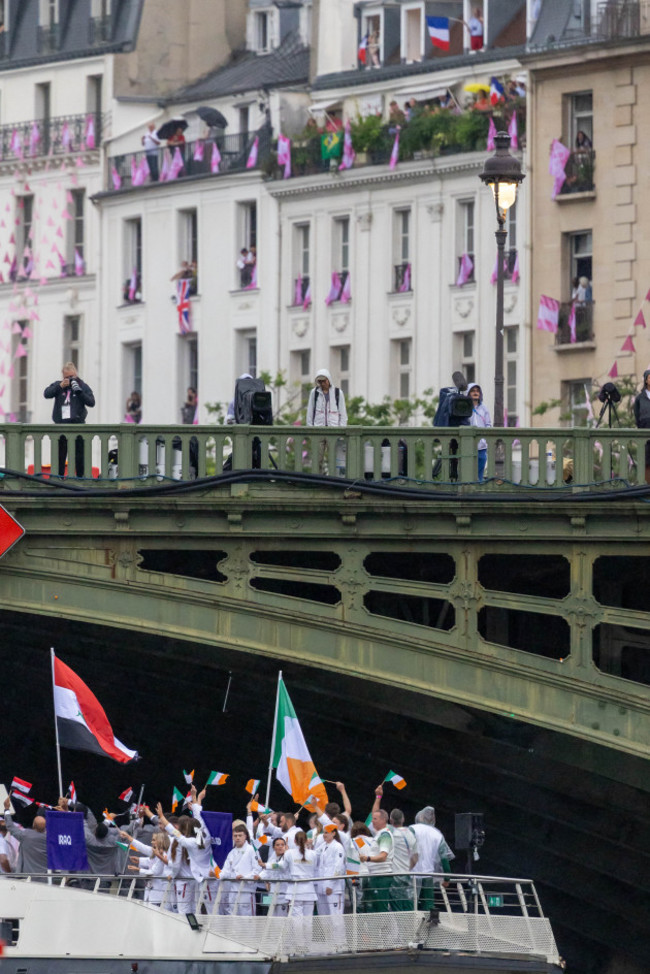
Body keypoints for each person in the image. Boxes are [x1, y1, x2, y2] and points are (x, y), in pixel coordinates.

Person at [43, 362, 95, 477]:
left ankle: (80, 478)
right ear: (63, 376)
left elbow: (91, 402)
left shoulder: (82, 385)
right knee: (60, 456)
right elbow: (46, 394)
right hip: (61, 425)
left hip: (78, 425)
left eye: (72, 377)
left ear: (75, 375)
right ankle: (59, 478)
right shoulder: (58, 385)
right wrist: (60, 386)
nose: (70, 380)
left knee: (79, 456)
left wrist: (79, 391)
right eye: (67, 377)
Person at [410, 806, 454, 910]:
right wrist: (447, 878)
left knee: (409, 904)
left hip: (410, 874)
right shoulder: (437, 834)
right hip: (428, 875)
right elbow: (444, 859)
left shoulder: (412, 829)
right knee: (428, 905)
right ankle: (428, 923)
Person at [3, 796, 48, 874]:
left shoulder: (26, 835)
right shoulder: (50, 839)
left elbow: (10, 826)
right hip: (45, 879)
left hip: (27, 878)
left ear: (33, 824)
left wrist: (7, 809)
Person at [220, 823, 259, 915]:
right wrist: (217, 875)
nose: (237, 838)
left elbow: (257, 870)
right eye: (235, 836)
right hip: (233, 891)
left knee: (247, 920)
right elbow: (226, 870)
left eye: (240, 835)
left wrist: (244, 877)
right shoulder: (232, 852)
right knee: (233, 919)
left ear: (245, 836)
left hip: (246, 891)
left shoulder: (251, 850)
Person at [467, 383, 491, 481]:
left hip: (481, 446)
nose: (475, 393)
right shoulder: (465, 407)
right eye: (473, 391)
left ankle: (478, 488)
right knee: (468, 470)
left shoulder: (484, 408)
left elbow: (488, 424)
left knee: (480, 471)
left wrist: (486, 440)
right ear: (468, 393)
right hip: (468, 444)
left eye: (477, 391)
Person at [633, 369, 650, 485]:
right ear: (646, 380)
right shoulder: (640, 398)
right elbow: (637, 415)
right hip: (645, 430)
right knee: (647, 458)